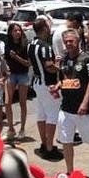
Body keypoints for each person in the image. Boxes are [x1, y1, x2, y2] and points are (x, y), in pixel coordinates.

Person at [55, 29, 89, 176]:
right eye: (66, 41)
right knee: (66, 141)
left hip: (83, 110)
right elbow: (64, 79)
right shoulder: (64, 58)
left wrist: (85, 103)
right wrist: (57, 86)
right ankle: (70, 172)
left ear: (78, 41)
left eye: (71, 41)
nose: (68, 44)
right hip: (66, 108)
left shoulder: (86, 59)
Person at [30, 17, 63, 161]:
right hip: (48, 84)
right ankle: (49, 148)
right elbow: (49, 67)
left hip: (37, 83)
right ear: (44, 28)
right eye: (48, 26)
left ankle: (44, 143)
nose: (50, 29)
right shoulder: (45, 47)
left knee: (41, 114)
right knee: (52, 115)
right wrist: (59, 66)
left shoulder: (31, 44)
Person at [4, 23, 32, 142]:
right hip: (11, 75)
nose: (18, 33)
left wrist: (16, 57)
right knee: (7, 102)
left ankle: (22, 129)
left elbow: (28, 63)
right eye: (15, 31)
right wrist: (5, 69)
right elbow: (4, 59)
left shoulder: (25, 45)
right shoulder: (7, 44)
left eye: (19, 30)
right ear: (11, 32)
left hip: (22, 75)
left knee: (22, 102)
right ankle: (11, 129)